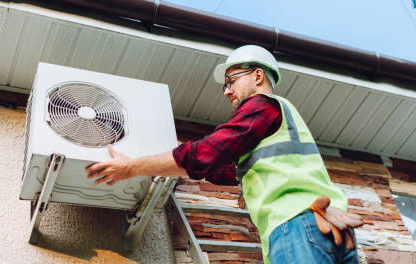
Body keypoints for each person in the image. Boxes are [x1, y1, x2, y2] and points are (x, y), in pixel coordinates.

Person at [86, 45, 361, 263]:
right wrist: (163, 158)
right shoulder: (281, 122)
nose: (227, 91)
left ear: (257, 76)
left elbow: (207, 154)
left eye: (231, 81)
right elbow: (223, 169)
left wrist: (132, 167)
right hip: (330, 225)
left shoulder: (262, 106)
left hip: (295, 225)